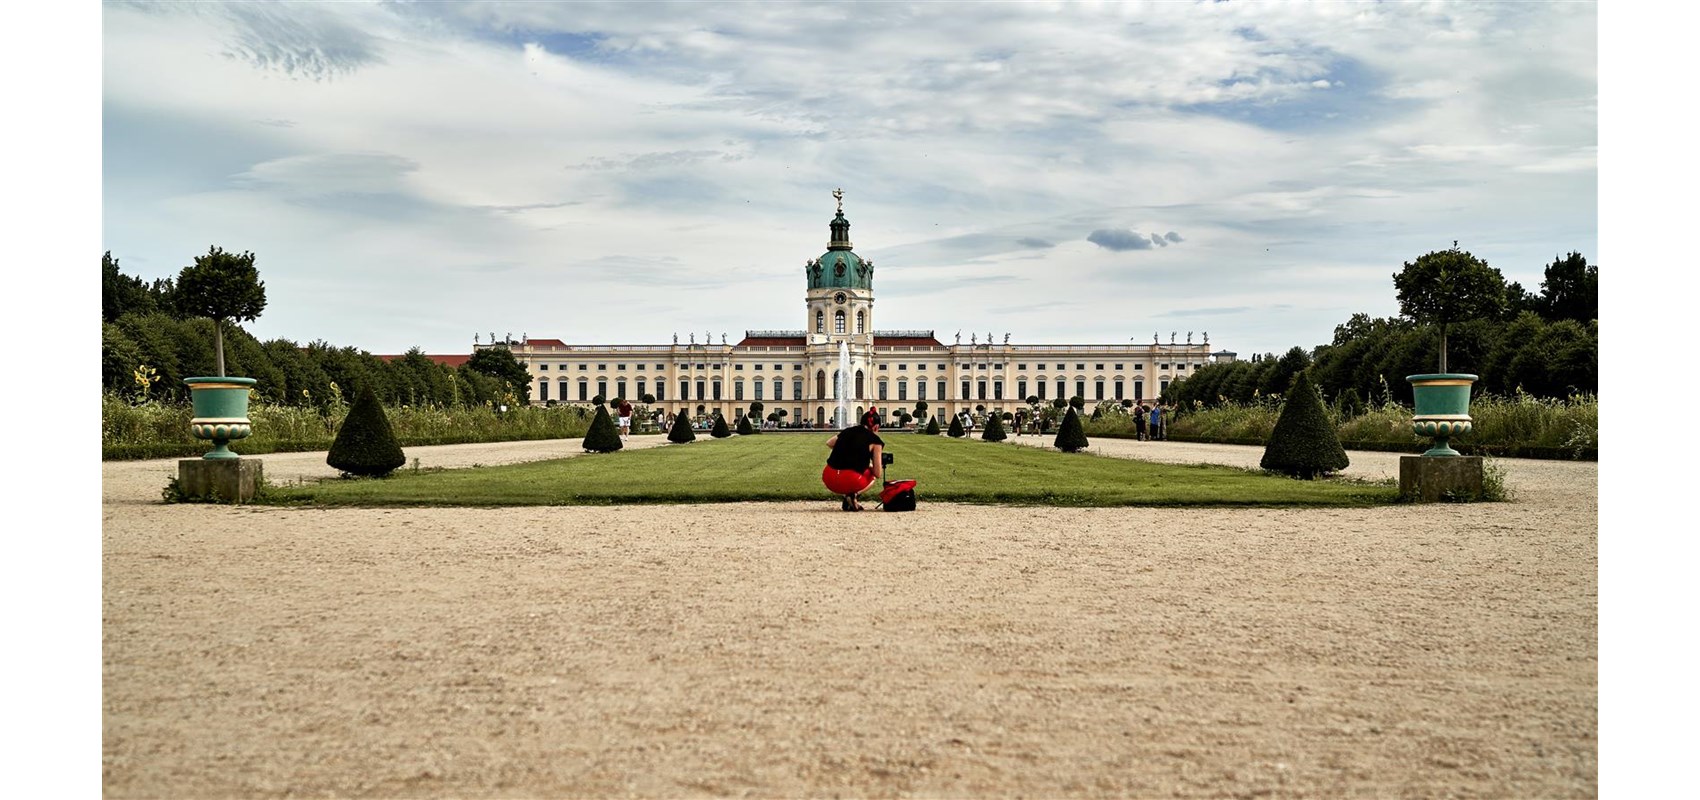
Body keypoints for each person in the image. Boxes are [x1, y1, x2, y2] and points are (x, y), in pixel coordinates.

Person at [823, 408, 886, 512]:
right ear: (876, 427)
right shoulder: (876, 441)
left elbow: (829, 443)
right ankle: (853, 495)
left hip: (829, 478)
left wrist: (846, 450)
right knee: (872, 475)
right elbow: (878, 473)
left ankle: (849, 498)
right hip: (850, 479)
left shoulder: (848, 431)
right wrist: (868, 465)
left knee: (851, 472)